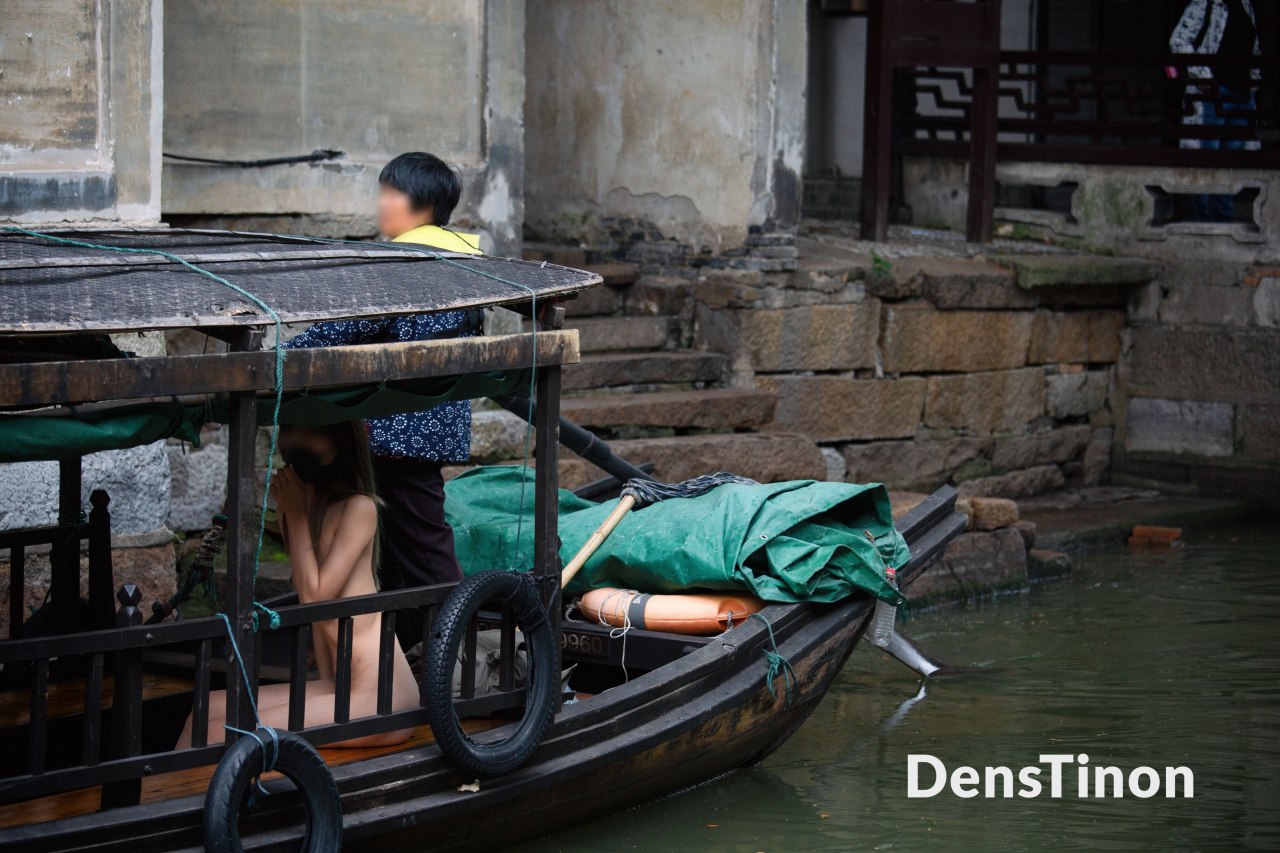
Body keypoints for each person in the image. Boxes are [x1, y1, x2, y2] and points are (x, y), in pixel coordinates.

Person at [283, 152, 483, 652]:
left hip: (399, 432)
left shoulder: (404, 263)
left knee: (424, 551)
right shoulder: (463, 259)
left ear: (422, 203)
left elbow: (347, 327)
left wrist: (281, 356)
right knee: (398, 551)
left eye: (391, 192)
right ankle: (413, 656)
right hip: (430, 428)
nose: (382, 202)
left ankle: (464, 658)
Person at [176, 421, 419, 748]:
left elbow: (315, 600)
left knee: (219, 733)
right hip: (339, 685)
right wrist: (294, 513)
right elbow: (312, 607)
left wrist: (296, 514)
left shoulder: (359, 507)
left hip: (382, 696)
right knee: (204, 711)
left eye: (313, 430)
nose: (298, 440)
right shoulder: (303, 507)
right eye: (290, 428)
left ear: (342, 440)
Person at [1169, 0, 1262, 221]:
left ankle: (1222, 219)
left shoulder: (1246, 5)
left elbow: (1254, 49)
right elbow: (1179, 40)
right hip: (1212, 94)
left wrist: (1254, 78)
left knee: (1231, 162)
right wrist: (1205, 76)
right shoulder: (1207, 2)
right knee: (1206, 158)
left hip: (1241, 94)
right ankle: (1200, 221)